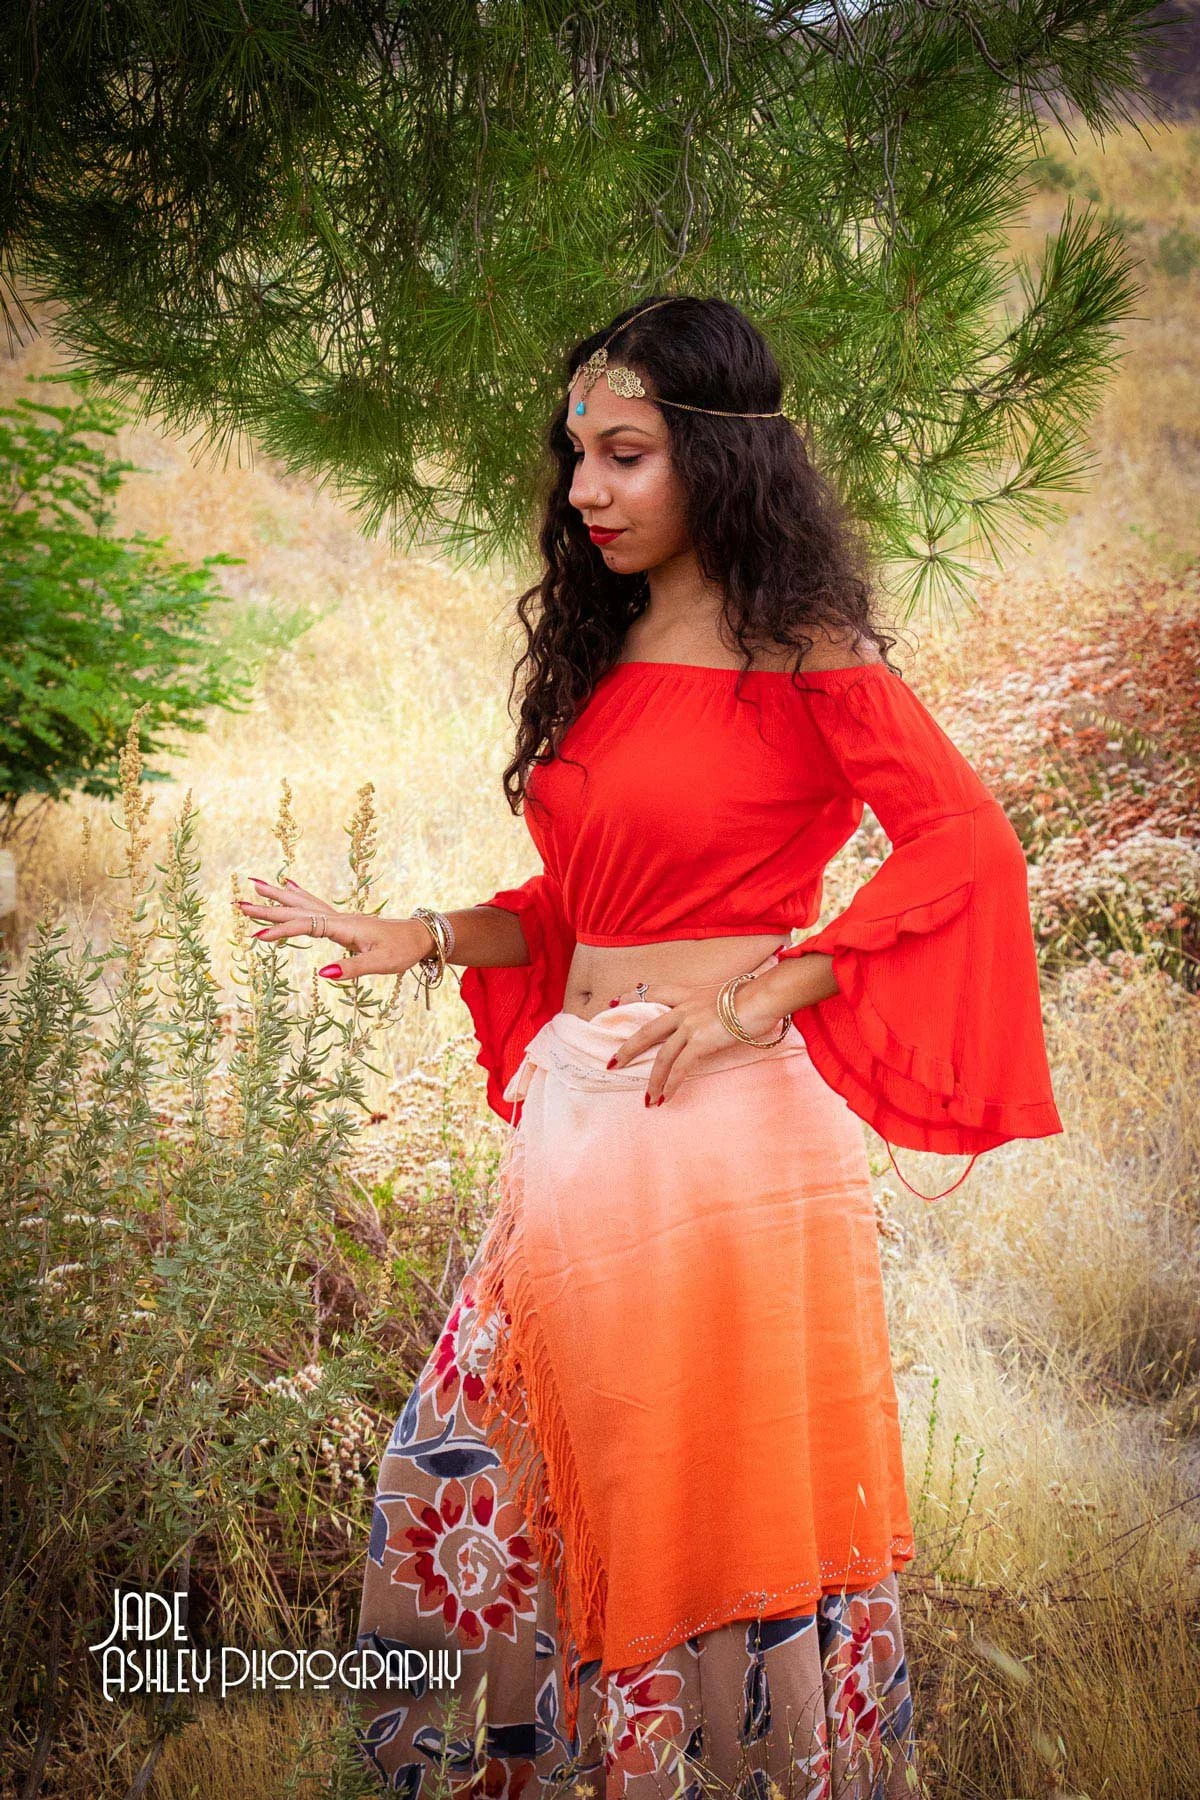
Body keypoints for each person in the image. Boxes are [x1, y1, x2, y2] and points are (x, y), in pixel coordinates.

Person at [238, 295, 1063, 1799]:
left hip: (721, 1117)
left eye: (625, 456)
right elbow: (589, 905)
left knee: (681, 1481)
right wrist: (416, 933)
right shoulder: (615, 641)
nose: (585, 492)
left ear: (722, 457)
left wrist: (758, 1000)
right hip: (590, 1106)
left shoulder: (801, 650)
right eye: (577, 457)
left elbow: (965, 846)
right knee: (502, 1467)